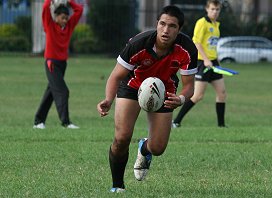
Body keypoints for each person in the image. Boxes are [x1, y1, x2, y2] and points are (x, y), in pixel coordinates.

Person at [96, 5, 198, 193]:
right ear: (157, 24)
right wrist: (108, 99)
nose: (166, 30)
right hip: (133, 86)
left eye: (172, 26)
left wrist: (182, 99)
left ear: (179, 30)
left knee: (158, 148)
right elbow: (115, 76)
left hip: (165, 90)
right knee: (122, 138)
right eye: (162, 24)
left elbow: (190, 86)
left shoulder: (187, 49)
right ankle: (117, 185)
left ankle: (144, 148)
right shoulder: (139, 43)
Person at [172, 0, 227, 128]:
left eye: (217, 9)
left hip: (213, 63)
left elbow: (212, 46)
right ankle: (176, 121)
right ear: (207, 9)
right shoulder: (202, 23)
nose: (215, 12)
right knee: (197, 95)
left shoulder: (216, 25)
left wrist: (216, 60)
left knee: (222, 93)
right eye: (212, 9)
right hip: (203, 62)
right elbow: (196, 43)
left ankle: (221, 126)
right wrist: (206, 59)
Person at [33, 0, 83, 129]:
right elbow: (45, 7)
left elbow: (79, 10)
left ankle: (38, 121)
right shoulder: (49, 24)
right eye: (62, 18)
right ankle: (65, 122)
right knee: (63, 91)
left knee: (51, 93)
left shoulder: (69, 26)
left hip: (62, 64)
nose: (65, 20)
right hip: (51, 63)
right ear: (56, 17)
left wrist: (69, 1)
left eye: (67, 18)